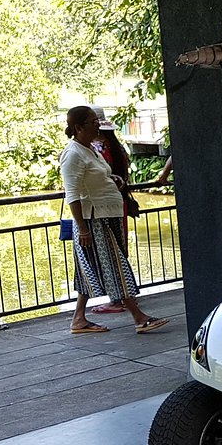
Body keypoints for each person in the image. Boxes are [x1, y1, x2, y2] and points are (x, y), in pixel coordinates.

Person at [60, 105, 169, 336]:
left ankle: (78, 319)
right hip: (94, 220)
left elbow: (101, 176)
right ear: (78, 127)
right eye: (92, 122)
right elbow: (72, 194)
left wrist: (114, 179)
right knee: (116, 267)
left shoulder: (89, 149)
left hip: (107, 215)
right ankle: (139, 317)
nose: (97, 125)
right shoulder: (73, 154)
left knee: (88, 269)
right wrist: (82, 228)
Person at [90, 109, 135, 314]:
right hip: (120, 203)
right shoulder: (117, 148)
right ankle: (126, 296)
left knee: (111, 252)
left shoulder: (95, 149)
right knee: (120, 247)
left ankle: (117, 298)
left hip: (103, 207)